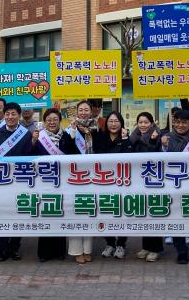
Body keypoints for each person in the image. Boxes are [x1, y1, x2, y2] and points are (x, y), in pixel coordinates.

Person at [0, 101, 32, 261]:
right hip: (0, 181)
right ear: (4, 116)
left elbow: (29, 156)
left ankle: (14, 247)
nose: (10, 117)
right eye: (8, 114)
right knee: (2, 214)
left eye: (13, 114)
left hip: (20, 180)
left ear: (19, 116)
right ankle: (2, 249)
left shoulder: (26, 134)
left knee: (19, 214)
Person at [160, 109, 189, 265]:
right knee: (176, 218)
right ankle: (181, 251)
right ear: (173, 122)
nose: (181, 125)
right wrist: (164, 147)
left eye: (184, 122)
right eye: (177, 121)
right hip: (173, 185)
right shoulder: (166, 138)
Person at [30, 108, 76, 262]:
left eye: (55, 119)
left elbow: (74, 156)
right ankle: (44, 253)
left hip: (62, 181)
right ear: (44, 121)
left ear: (59, 121)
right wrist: (33, 142)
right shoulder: (39, 136)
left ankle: (59, 251)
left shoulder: (67, 136)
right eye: (48, 119)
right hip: (43, 181)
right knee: (45, 214)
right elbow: (30, 157)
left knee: (59, 213)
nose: (51, 122)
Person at [90, 111, 132, 260]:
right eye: (110, 121)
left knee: (121, 213)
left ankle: (121, 244)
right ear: (106, 123)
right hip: (103, 181)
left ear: (121, 123)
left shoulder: (126, 137)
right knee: (105, 212)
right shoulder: (100, 136)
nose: (113, 124)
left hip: (121, 182)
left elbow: (130, 155)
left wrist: (125, 139)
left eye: (116, 121)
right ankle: (109, 243)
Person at [65, 100, 101, 263]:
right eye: (81, 109)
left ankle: (87, 250)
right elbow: (64, 149)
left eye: (87, 109)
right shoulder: (69, 129)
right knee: (75, 212)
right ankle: (76, 250)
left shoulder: (97, 129)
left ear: (91, 111)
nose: (84, 112)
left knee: (89, 212)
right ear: (77, 112)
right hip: (74, 176)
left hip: (93, 176)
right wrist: (73, 132)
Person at [129, 112, 164, 262]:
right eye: (140, 122)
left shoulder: (158, 136)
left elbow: (155, 154)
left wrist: (153, 140)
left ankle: (155, 249)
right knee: (144, 214)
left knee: (154, 212)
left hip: (154, 180)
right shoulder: (133, 136)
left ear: (151, 123)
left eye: (146, 122)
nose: (143, 125)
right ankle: (146, 246)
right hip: (139, 180)